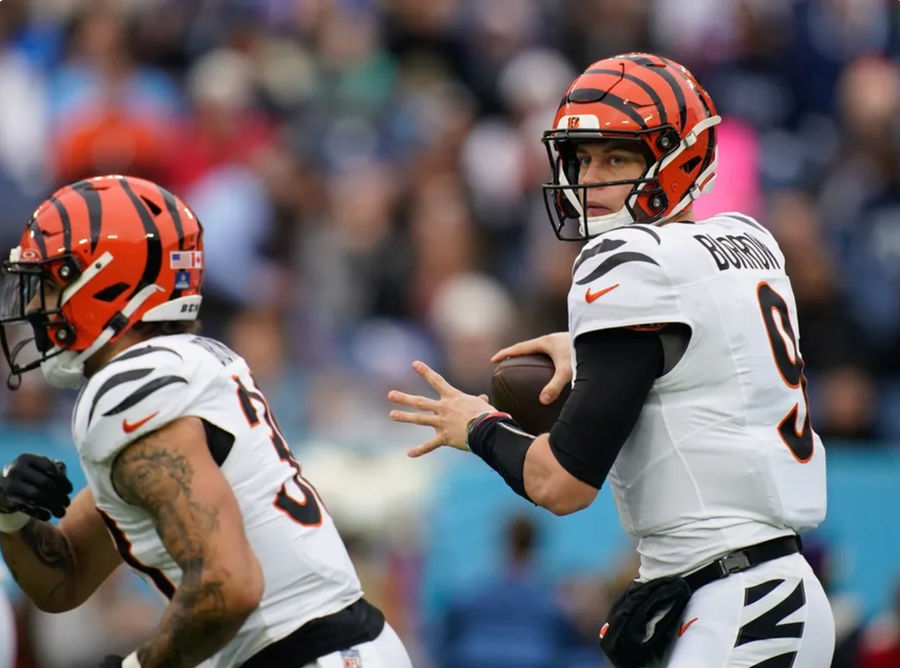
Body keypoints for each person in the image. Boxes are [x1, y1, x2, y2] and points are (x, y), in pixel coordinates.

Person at [388, 52, 834, 667]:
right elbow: (708, 350)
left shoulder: (627, 265)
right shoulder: (750, 240)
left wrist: (476, 426)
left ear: (682, 157)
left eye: (617, 158)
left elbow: (562, 484)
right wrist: (588, 345)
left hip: (741, 603)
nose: (589, 179)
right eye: (582, 158)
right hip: (760, 588)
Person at [0, 175, 412, 668]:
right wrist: (9, 511)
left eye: (50, 282)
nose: (32, 306)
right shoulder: (180, 369)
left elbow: (229, 586)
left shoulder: (128, 392)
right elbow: (65, 575)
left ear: (106, 282)